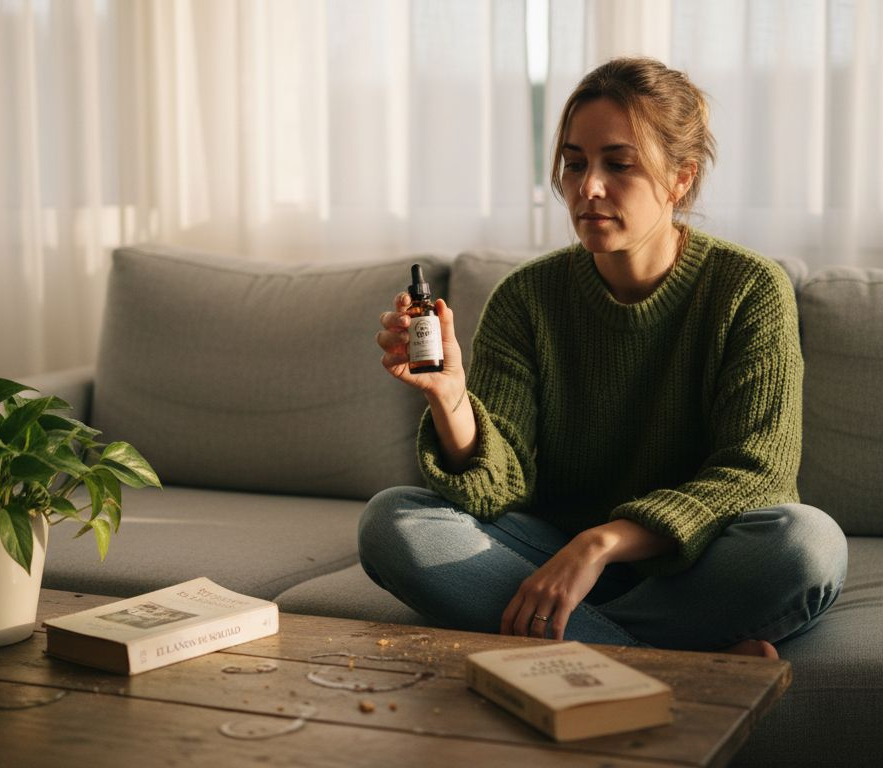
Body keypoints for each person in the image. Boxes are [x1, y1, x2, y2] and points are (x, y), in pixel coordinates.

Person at [362, 57, 847, 658]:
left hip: (692, 560)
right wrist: (452, 398)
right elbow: (499, 488)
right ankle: (672, 663)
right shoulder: (527, 298)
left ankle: (577, 647)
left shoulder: (749, 289)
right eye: (574, 163)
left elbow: (757, 476)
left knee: (806, 545)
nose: (588, 187)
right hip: (549, 554)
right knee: (394, 522)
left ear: (680, 180)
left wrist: (600, 544)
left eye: (618, 164)